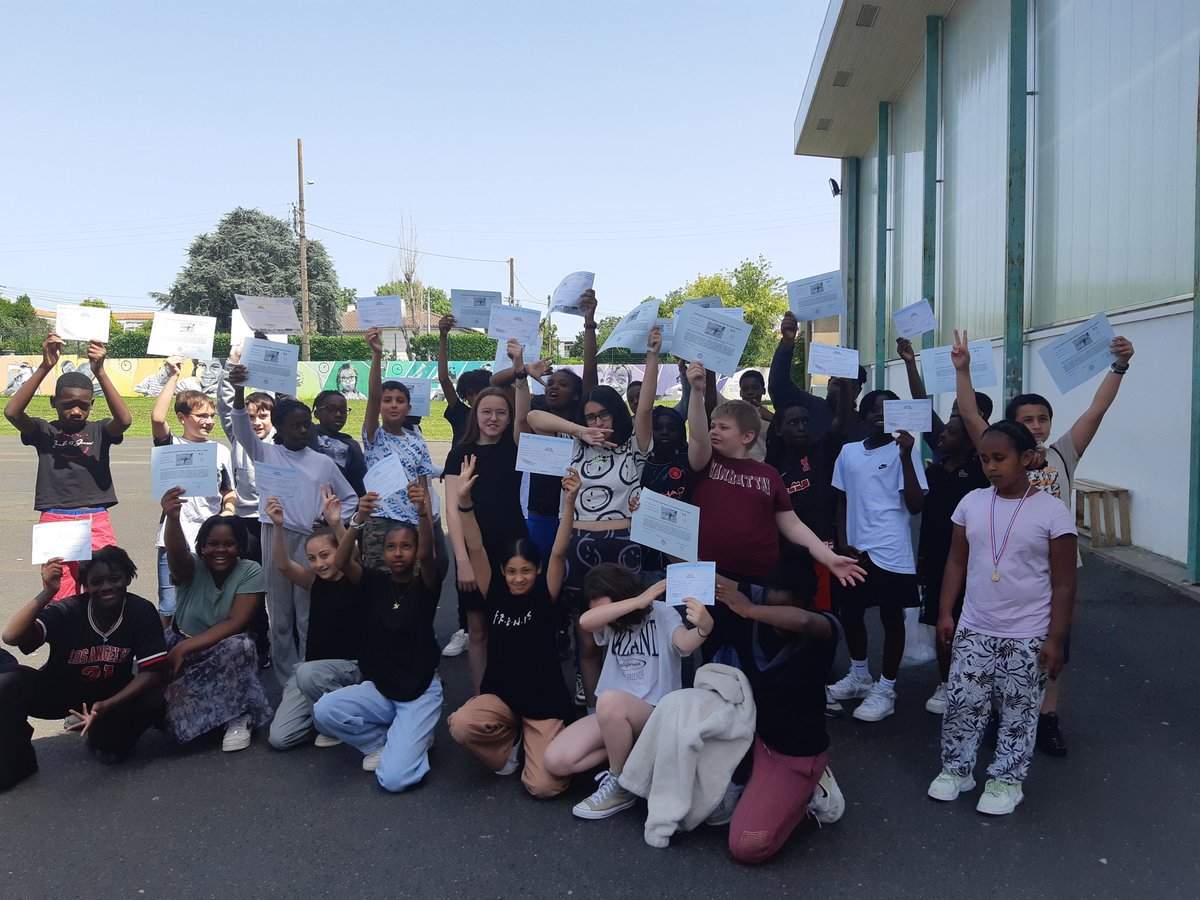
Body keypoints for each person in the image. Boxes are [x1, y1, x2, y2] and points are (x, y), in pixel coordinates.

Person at [952, 328, 1135, 757]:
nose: (1036, 427)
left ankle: (1047, 716)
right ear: (1010, 429)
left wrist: (1121, 365)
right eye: (1026, 420)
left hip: (1052, 574)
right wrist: (963, 371)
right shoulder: (1000, 454)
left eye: (1042, 419)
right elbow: (969, 413)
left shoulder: (1063, 454)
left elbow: (1098, 408)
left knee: (1054, 648)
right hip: (1003, 568)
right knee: (996, 645)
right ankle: (1002, 714)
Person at [927, 421, 1077, 815]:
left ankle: (1006, 779)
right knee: (963, 702)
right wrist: (946, 611)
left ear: (1026, 459)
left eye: (1000, 458)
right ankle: (957, 769)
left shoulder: (1051, 512)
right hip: (975, 626)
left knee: (1019, 709)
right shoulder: (972, 503)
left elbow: (1064, 585)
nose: (991, 467)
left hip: (1027, 633)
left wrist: (1055, 638)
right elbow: (956, 561)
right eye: (984, 459)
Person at [527, 323, 661, 711]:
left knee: (624, 631)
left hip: (622, 547)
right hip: (577, 545)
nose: (598, 423)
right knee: (585, 637)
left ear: (617, 415)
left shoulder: (635, 447)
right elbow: (536, 421)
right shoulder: (573, 444)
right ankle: (593, 708)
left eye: (603, 416)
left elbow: (647, 405)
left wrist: (652, 355)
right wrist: (579, 430)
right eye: (591, 416)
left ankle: (629, 705)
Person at [684, 361, 866, 607]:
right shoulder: (706, 463)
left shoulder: (769, 475)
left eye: (723, 427)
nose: (714, 431)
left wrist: (829, 558)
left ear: (747, 436)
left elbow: (792, 525)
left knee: (758, 640)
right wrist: (696, 391)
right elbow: (696, 435)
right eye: (713, 426)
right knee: (712, 639)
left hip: (760, 579)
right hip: (712, 575)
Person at [446, 459, 577, 798]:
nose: (519, 578)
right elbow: (476, 547)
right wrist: (464, 501)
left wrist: (570, 501)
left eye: (526, 571)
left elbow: (560, 552)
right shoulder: (495, 592)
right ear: (503, 571)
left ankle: (539, 737)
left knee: (544, 787)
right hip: (502, 696)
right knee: (461, 724)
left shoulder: (545, 596)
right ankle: (508, 747)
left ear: (537, 570)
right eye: (512, 571)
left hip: (543, 701)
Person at [544, 564, 713, 820]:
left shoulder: (661, 613)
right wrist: (636, 602)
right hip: (612, 716)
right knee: (557, 761)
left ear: (621, 593)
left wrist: (703, 629)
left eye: (609, 608)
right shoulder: (611, 620)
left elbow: (683, 642)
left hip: (654, 715)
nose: (609, 618)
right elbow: (586, 622)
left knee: (610, 700)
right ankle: (635, 758)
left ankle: (621, 784)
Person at [227, 367, 358, 685]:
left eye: (306, 425)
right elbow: (242, 426)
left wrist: (328, 523)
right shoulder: (265, 452)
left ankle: (308, 671)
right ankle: (288, 681)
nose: (303, 431)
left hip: (311, 542)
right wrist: (241, 389)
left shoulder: (323, 462)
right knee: (280, 613)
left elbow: (350, 498)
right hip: (276, 537)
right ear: (280, 430)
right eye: (295, 426)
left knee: (307, 611)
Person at [706, 563, 845, 863]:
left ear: (809, 603)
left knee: (748, 845)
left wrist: (751, 610)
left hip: (794, 755)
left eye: (783, 611)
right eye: (769, 606)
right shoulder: (757, 600)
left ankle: (812, 789)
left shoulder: (825, 627)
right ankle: (757, 781)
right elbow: (699, 572)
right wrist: (652, 519)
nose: (775, 621)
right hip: (751, 741)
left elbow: (805, 623)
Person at [312, 483, 445, 791]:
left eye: (406, 546)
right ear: (383, 552)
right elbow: (342, 562)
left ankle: (415, 738)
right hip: (382, 690)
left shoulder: (426, 584)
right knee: (325, 710)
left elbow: (428, 557)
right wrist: (357, 520)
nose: (398, 553)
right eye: (391, 547)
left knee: (393, 779)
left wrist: (423, 513)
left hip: (419, 692)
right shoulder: (374, 582)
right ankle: (382, 741)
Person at [0, 550, 167, 790]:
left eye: (115, 579)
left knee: (153, 701)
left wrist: (108, 705)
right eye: (97, 582)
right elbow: (11, 636)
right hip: (60, 693)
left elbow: (151, 673)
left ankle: (102, 737)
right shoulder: (70, 610)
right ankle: (18, 763)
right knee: (6, 686)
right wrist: (48, 591)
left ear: (129, 578)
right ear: (86, 585)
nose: (107, 586)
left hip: (109, 698)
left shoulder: (141, 611)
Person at [4, 332, 132, 599]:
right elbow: (12, 412)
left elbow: (124, 420)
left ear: (92, 406)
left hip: (95, 517)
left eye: (83, 406)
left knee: (105, 588)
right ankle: (65, 641)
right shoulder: (43, 430)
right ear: (54, 402)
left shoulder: (99, 430)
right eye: (68, 404)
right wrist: (45, 365)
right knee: (59, 595)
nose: (76, 411)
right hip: (55, 520)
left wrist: (100, 372)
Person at [826, 390, 927, 722]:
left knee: (891, 617)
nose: (880, 416)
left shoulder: (904, 451)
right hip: (856, 550)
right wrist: (842, 542)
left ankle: (886, 688)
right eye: (874, 410)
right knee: (851, 613)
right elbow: (840, 499)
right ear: (864, 415)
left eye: (888, 410)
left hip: (891, 550)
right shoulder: (849, 452)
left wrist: (907, 455)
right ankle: (859, 676)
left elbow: (915, 505)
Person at [159, 491, 273, 751]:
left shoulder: (250, 570)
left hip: (221, 651)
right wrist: (173, 518)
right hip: (181, 642)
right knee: (161, 711)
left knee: (240, 645)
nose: (220, 550)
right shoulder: (191, 566)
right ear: (202, 546)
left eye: (229, 544)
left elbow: (236, 621)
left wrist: (184, 648)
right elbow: (176, 553)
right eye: (212, 543)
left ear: (240, 547)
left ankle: (238, 716)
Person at [443, 384, 529, 693]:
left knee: (513, 625)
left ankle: (514, 691)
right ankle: (483, 697)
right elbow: (453, 511)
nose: (493, 418)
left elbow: (527, 413)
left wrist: (520, 371)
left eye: (500, 413)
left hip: (513, 548)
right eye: (486, 412)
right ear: (474, 415)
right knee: (477, 628)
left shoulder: (517, 446)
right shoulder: (459, 454)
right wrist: (463, 562)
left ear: (509, 418)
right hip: (473, 551)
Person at [265, 492, 366, 751]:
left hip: (350, 669)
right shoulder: (313, 582)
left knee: (308, 673)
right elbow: (283, 565)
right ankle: (324, 717)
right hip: (312, 673)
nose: (319, 564)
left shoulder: (357, 580)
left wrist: (335, 523)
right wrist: (277, 526)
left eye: (325, 555)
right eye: (312, 558)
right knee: (280, 738)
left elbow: (352, 556)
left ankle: (339, 720)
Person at [151, 356, 237, 628]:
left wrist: (228, 510)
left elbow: (229, 491)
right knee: (169, 605)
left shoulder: (221, 451)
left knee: (209, 602)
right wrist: (174, 375)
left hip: (210, 541)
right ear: (182, 417)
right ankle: (167, 656)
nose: (209, 421)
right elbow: (156, 417)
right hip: (173, 539)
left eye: (212, 416)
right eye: (201, 416)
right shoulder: (171, 444)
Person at [765, 382, 855, 615]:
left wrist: (846, 384)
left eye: (805, 421)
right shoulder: (770, 469)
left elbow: (841, 422)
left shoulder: (821, 453)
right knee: (788, 615)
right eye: (793, 423)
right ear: (778, 429)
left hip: (822, 550)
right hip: (785, 554)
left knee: (820, 614)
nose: (801, 427)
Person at [361, 327, 443, 572]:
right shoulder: (374, 436)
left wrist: (426, 525)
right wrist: (377, 355)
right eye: (387, 400)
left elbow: (424, 488)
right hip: (378, 522)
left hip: (411, 522)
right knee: (377, 586)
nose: (393, 405)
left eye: (400, 400)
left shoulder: (417, 442)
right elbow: (373, 398)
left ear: (408, 407)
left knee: (411, 584)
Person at [769, 311, 867, 443]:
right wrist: (787, 343)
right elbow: (779, 386)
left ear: (858, 391)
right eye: (837, 384)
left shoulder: (865, 423)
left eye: (850, 387)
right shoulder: (810, 406)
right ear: (828, 384)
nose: (841, 390)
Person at [895, 336, 993, 458]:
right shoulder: (942, 438)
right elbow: (922, 405)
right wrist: (910, 363)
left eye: (962, 411)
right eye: (954, 410)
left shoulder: (987, 453)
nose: (943, 433)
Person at [437, 314, 496, 446]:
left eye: (480, 392)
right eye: (470, 394)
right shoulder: (460, 413)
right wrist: (443, 336)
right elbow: (443, 378)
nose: (475, 397)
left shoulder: (498, 418)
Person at [311, 389, 368, 496]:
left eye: (343, 410)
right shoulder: (306, 436)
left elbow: (359, 482)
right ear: (317, 414)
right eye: (331, 409)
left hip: (340, 504)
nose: (338, 414)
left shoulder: (351, 445)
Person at [738, 369, 772, 462]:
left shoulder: (769, 418)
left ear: (764, 391)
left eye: (755, 388)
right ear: (740, 392)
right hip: (736, 466)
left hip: (761, 465)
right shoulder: (732, 412)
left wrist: (772, 418)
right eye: (745, 389)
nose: (750, 392)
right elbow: (712, 398)